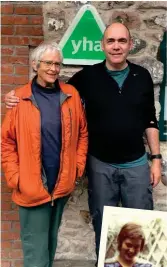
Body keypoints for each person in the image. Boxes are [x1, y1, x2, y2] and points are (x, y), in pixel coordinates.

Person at [4, 22, 162, 264]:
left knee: (139, 223)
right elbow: (49, 92)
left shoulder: (142, 76)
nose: (116, 46)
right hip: (100, 165)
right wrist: (13, 96)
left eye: (122, 41)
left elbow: (151, 119)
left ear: (130, 44)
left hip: (136, 163)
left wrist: (156, 159)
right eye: (111, 41)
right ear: (102, 45)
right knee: (103, 223)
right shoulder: (85, 78)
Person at [1, 41, 88, 267]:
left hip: (60, 186)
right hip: (31, 187)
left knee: (49, 244)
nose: (53, 69)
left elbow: (82, 133)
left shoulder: (71, 95)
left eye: (57, 64)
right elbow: (6, 141)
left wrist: (77, 167)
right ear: (35, 64)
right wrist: (15, 177)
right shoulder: (19, 98)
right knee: (35, 252)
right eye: (48, 63)